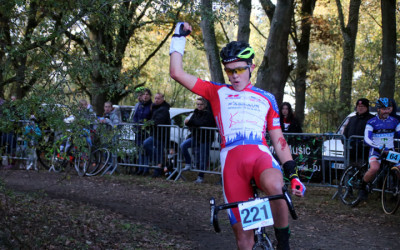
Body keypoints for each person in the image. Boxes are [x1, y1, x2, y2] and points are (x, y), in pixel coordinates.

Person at [169, 22, 305, 249]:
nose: (234, 75)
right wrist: (178, 37)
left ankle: (284, 242)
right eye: (229, 70)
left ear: (252, 66)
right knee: (244, 240)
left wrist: (293, 173)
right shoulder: (216, 92)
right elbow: (177, 72)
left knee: (274, 186)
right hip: (232, 164)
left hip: (259, 156)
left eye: (239, 69)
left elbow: (279, 141)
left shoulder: (267, 98)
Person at [361, 98, 400, 200]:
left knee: (399, 168)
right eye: (384, 109)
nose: (386, 111)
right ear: (378, 109)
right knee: (374, 168)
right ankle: (363, 188)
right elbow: (367, 139)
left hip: (390, 151)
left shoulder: (395, 121)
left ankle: (397, 190)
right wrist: (379, 147)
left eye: (388, 108)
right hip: (376, 150)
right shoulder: (371, 122)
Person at [180, 97, 216, 183]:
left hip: (206, 138)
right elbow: (189, 122)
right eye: (198, 104)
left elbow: (201, 123)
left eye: (201, 104)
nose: (199, 106)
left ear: (205, 105)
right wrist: (193, 123)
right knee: (183, 145)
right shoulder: (195, 112)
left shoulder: (209, 114)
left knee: (203, 159)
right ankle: (188, 163)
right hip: (196, 136)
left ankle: (201, 177)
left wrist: (192, 122)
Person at [143, 93, 171, 178]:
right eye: (155, 98)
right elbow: (152, 119)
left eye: (158, 98)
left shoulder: (164, 109)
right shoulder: (155, 108)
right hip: (155, 134)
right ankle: (159, 168)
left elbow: (158, 121)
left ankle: (159, 167)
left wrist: (148, 123)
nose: (156, 100)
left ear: (163, 99)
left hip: (161, 135)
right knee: (158, 152)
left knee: (147, 144)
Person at [343, 98, 374, 164]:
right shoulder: (352, 119)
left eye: (362, 106)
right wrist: (345, 142)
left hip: (364, 151)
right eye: (359, 106)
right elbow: (345, 133)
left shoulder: (372, 119)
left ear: (367, 107)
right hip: (351, 150)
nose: (360, 108)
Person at [132, 88, 153, 176]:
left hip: (147, 131)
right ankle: (140, 168)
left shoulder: (152, 106)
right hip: (138, 131)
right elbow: (135, 116)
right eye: (144, 94)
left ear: (150, 96)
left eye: (147, 94)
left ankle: (146, 169)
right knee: (140, 150)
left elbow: (152, 118)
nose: (145, 96)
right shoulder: (140, 105)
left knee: (145, 150)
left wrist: (145, 125)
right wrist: (135, 125)